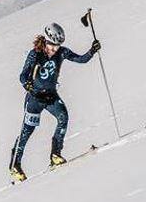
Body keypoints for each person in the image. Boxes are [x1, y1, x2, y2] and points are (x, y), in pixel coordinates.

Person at [10, 22, 100, 182]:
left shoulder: (62, 52)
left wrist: (92, 51)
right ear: (46, 41)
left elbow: (80, 59)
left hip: (51, 96)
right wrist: (28, 85)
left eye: (58, 45)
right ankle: (15, 165)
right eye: (52, 45)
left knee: (63, 117)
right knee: (27, 131)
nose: (55, 48)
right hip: (35, 99)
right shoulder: (35, 54)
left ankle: (55, 154)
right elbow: (22, 76)